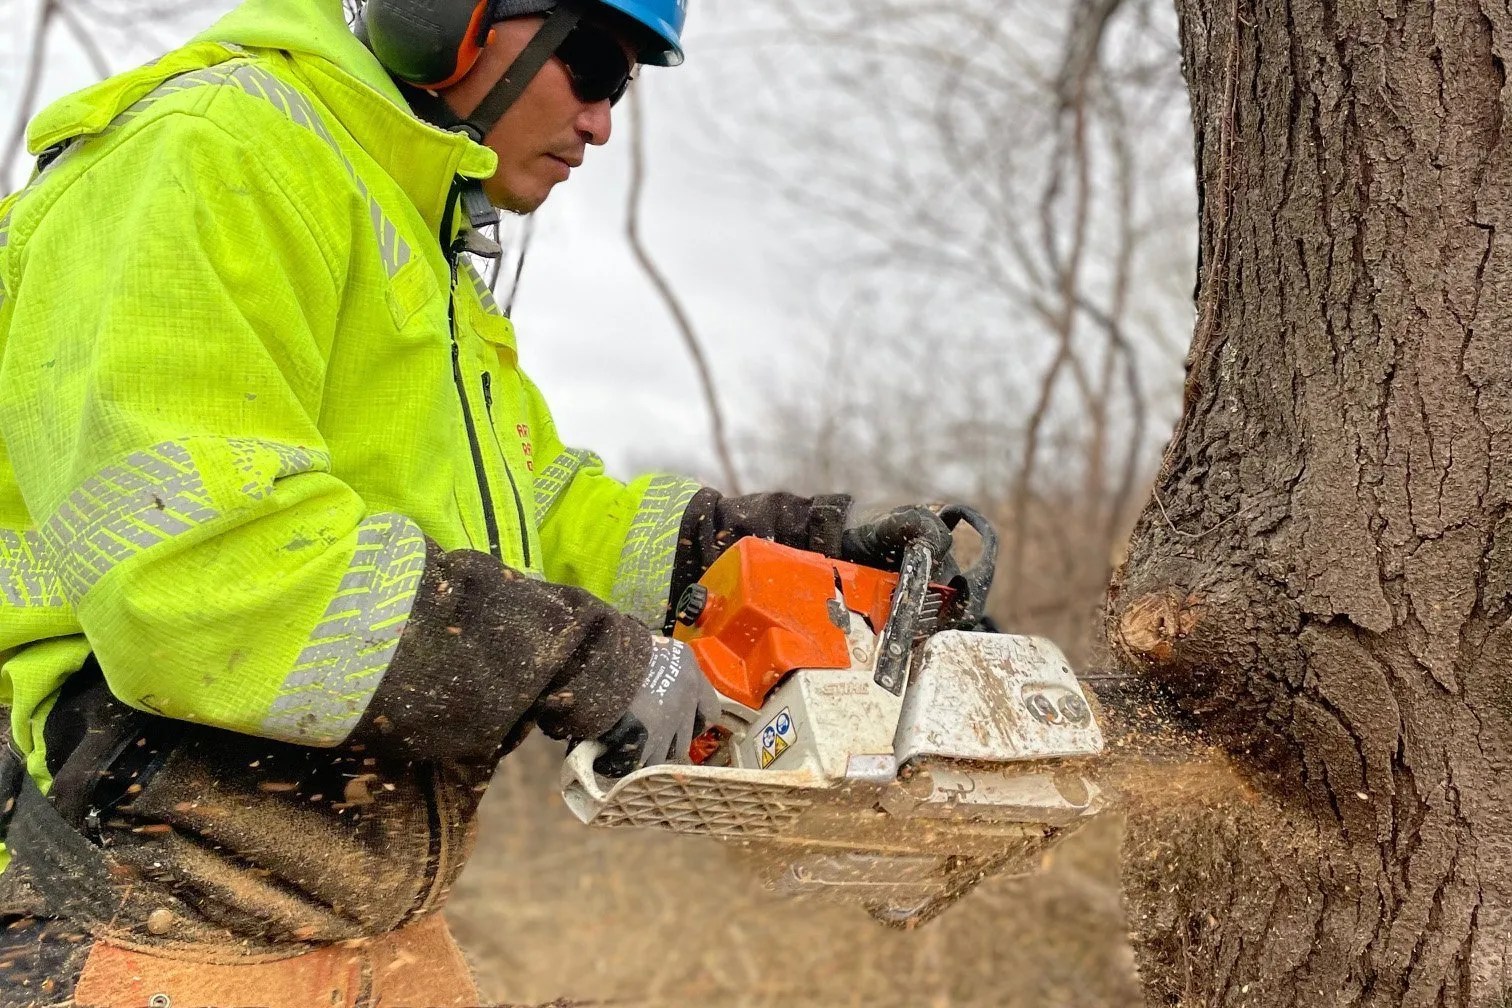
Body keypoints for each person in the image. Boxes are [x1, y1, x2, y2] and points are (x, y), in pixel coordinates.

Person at [0, 0, 953, 1003]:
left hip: (371, 920)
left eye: (623, 86)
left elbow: (537, 514)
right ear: (447, 13)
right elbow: (199, 571)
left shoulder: (410, 229)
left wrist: (754, 548)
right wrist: (571, 659)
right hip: (149, 912)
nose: (601, 123)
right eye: (594, 65)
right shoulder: (207, 153)